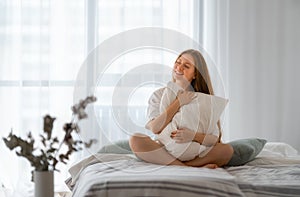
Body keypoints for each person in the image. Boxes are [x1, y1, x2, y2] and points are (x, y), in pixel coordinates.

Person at [129, 49, 233, 168]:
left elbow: (214, 140)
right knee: (136, 140)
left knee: (227, 150)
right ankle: (188, 167)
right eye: (178, 62)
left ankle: (184, 164)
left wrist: (192, 136)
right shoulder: (158, 95)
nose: (179, 67)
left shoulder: (203, 101)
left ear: (195, 74)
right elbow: (154, 128)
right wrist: (178, 102)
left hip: (195, 152)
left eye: (186, 66)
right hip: (165, 150)